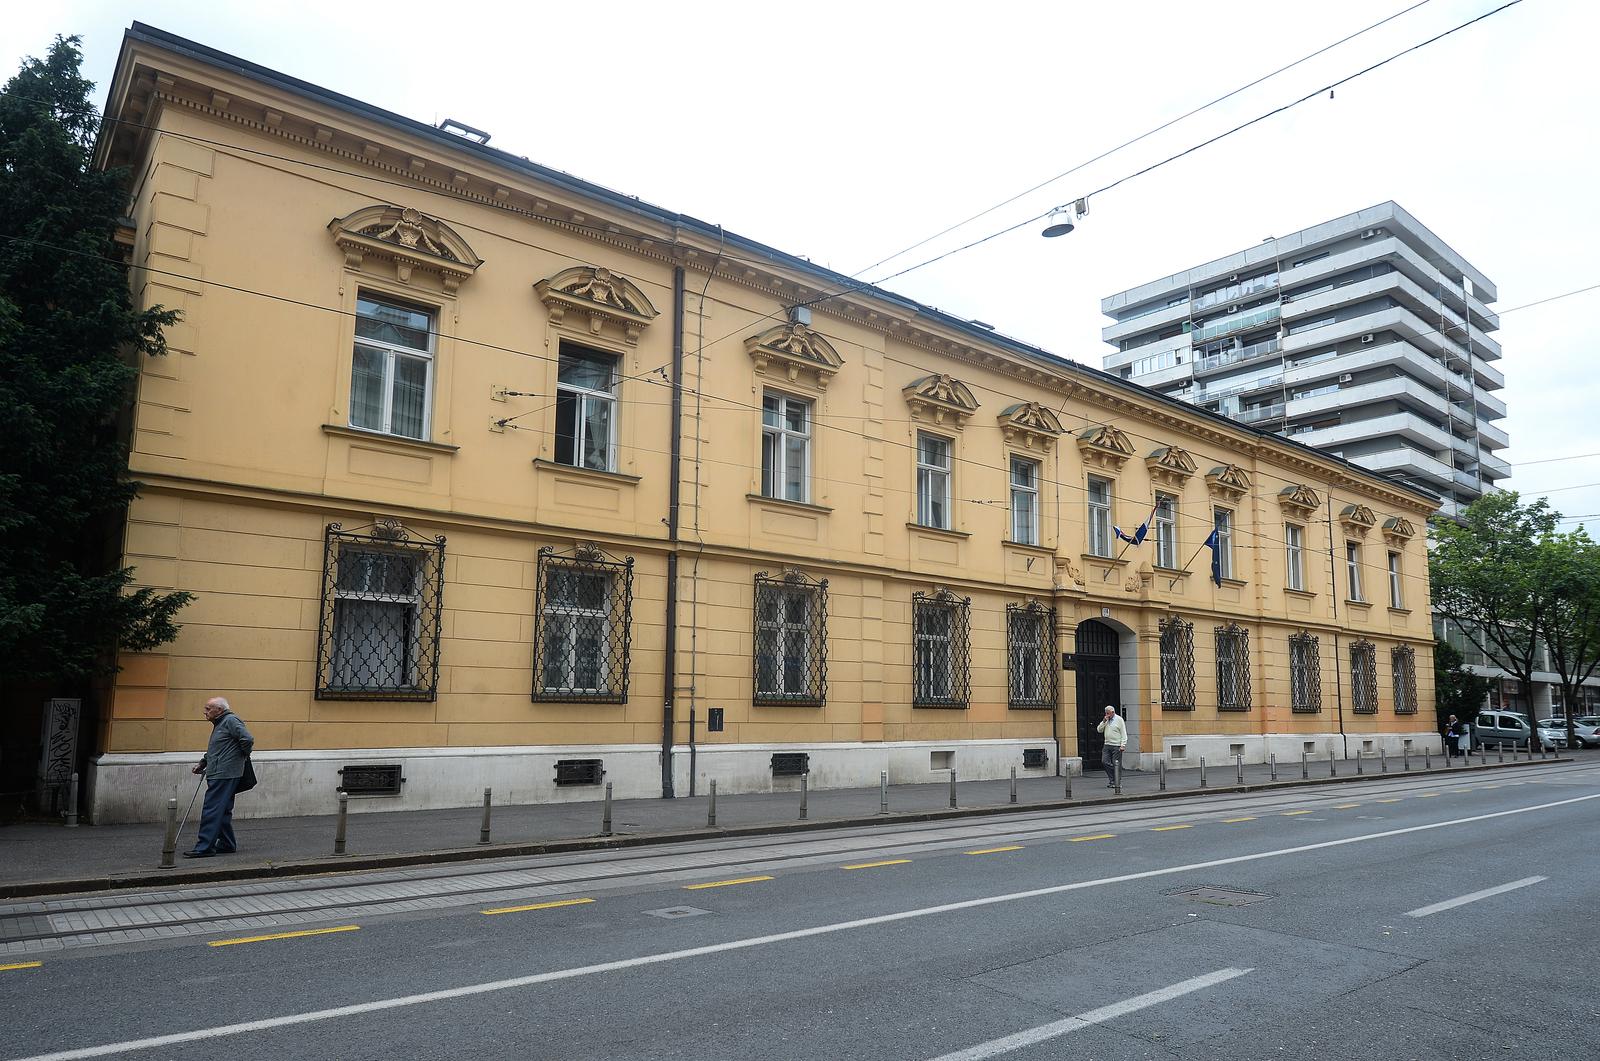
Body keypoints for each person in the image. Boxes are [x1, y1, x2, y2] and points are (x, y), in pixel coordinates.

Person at [185, 696, 254, 858]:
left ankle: (204, 847)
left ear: (220, 710)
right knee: (222, 810)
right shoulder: (220, 723)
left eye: (208, 708)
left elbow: (248, 739)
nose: (205, 711)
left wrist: (241, 755)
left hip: (224, 773)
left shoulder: (230, 720)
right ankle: (226, 844)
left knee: (212, 810)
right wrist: (203, 763)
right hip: (221, 771)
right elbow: (217, 748)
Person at [1097, 705, 1127, 788]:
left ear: (1113, 712)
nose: (1107, 715)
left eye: (1108, 713)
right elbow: (1099, 730)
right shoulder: (1106, 720)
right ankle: (1114, 778)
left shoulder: (1119, 720)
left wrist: (1123, 745)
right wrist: (1103, 721)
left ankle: (1116, 781)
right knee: (1104, 761)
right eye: (1106, 713)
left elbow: (1123, 733)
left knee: (1116, 763)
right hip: (1107, 744)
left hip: (1117, 745)